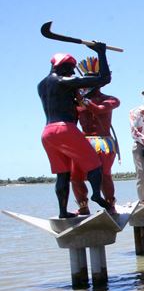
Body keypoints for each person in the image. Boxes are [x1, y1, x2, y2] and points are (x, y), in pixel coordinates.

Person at [38, 43, 113, 218]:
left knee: (62, 174)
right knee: (94, 164)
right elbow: (104, 79)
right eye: (71, 69)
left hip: (47, 132)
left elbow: (63, 101)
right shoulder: (64, 81)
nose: (72, 74)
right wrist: (101, 52)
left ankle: (63, 212)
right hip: (64, 128)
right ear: (63, 67)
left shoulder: (41, 85)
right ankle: (96, 194)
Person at [70, 57, 120, 215]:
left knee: (105, 174)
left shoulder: (110, 99)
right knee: (75, 176)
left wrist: (82, 99)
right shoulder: (76, 103)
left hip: (103, 142)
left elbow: (98, 109)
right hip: (83, 142)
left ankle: (110, 205)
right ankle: (83, 207)